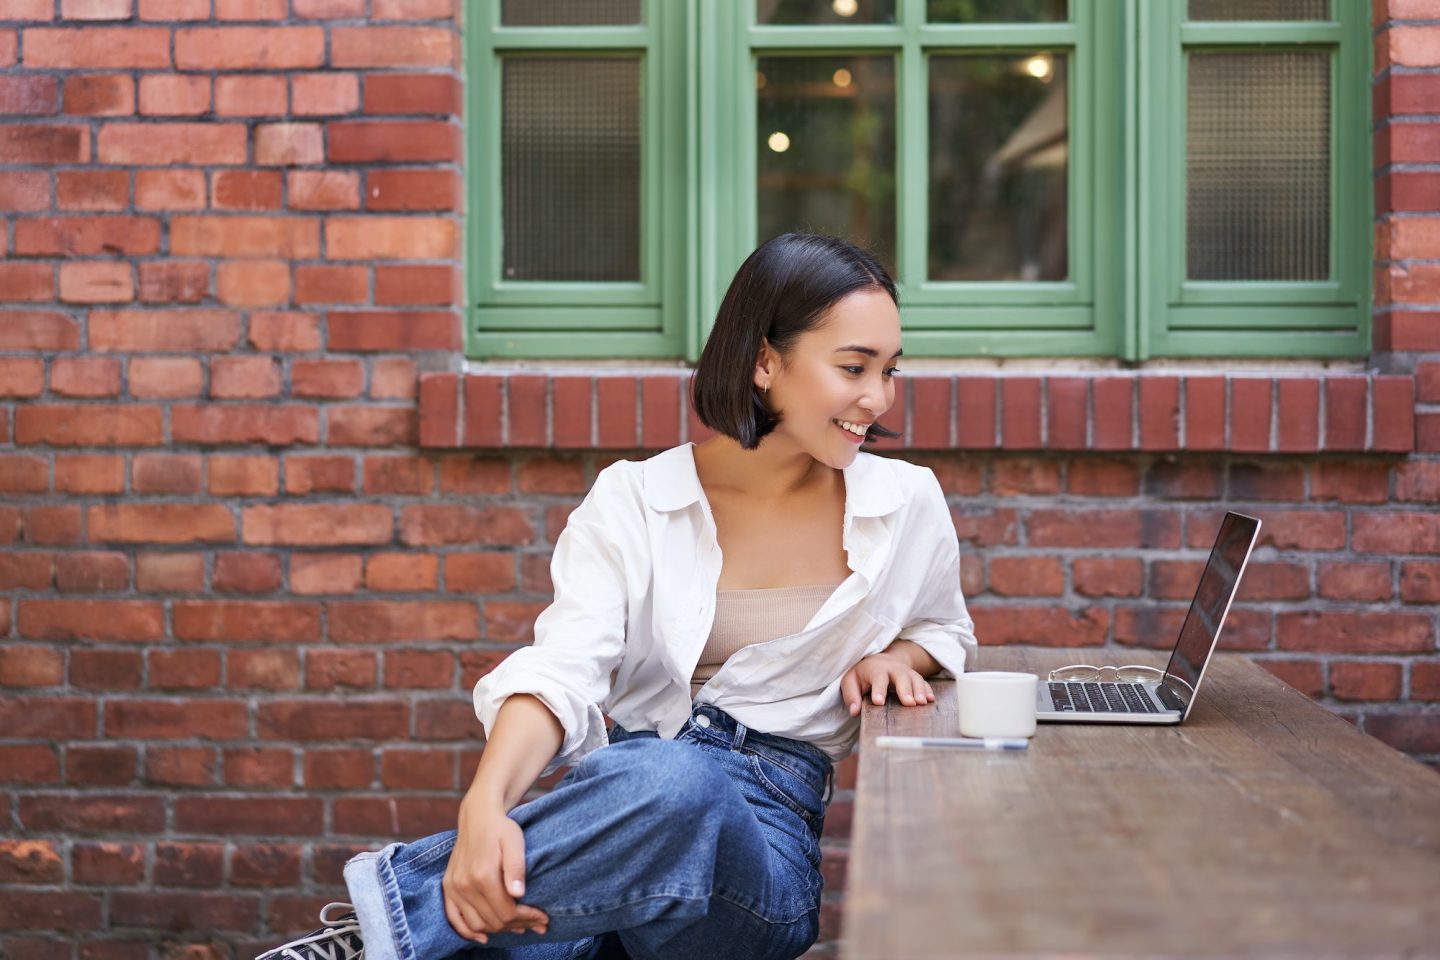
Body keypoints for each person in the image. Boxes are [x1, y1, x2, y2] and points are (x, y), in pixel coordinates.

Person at [255, 233, 978, 960]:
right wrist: (484, 805)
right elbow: (564, 668)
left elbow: (945, 627)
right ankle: (390, 939)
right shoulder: (635, 497)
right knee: (587, 847)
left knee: (676, 781)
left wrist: (908, 656)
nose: (877, 397)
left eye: (889, 370)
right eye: (854, 367)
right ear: (764, 360)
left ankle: (387, 927)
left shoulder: (903, 501)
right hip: (619, 824)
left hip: (758, 861)